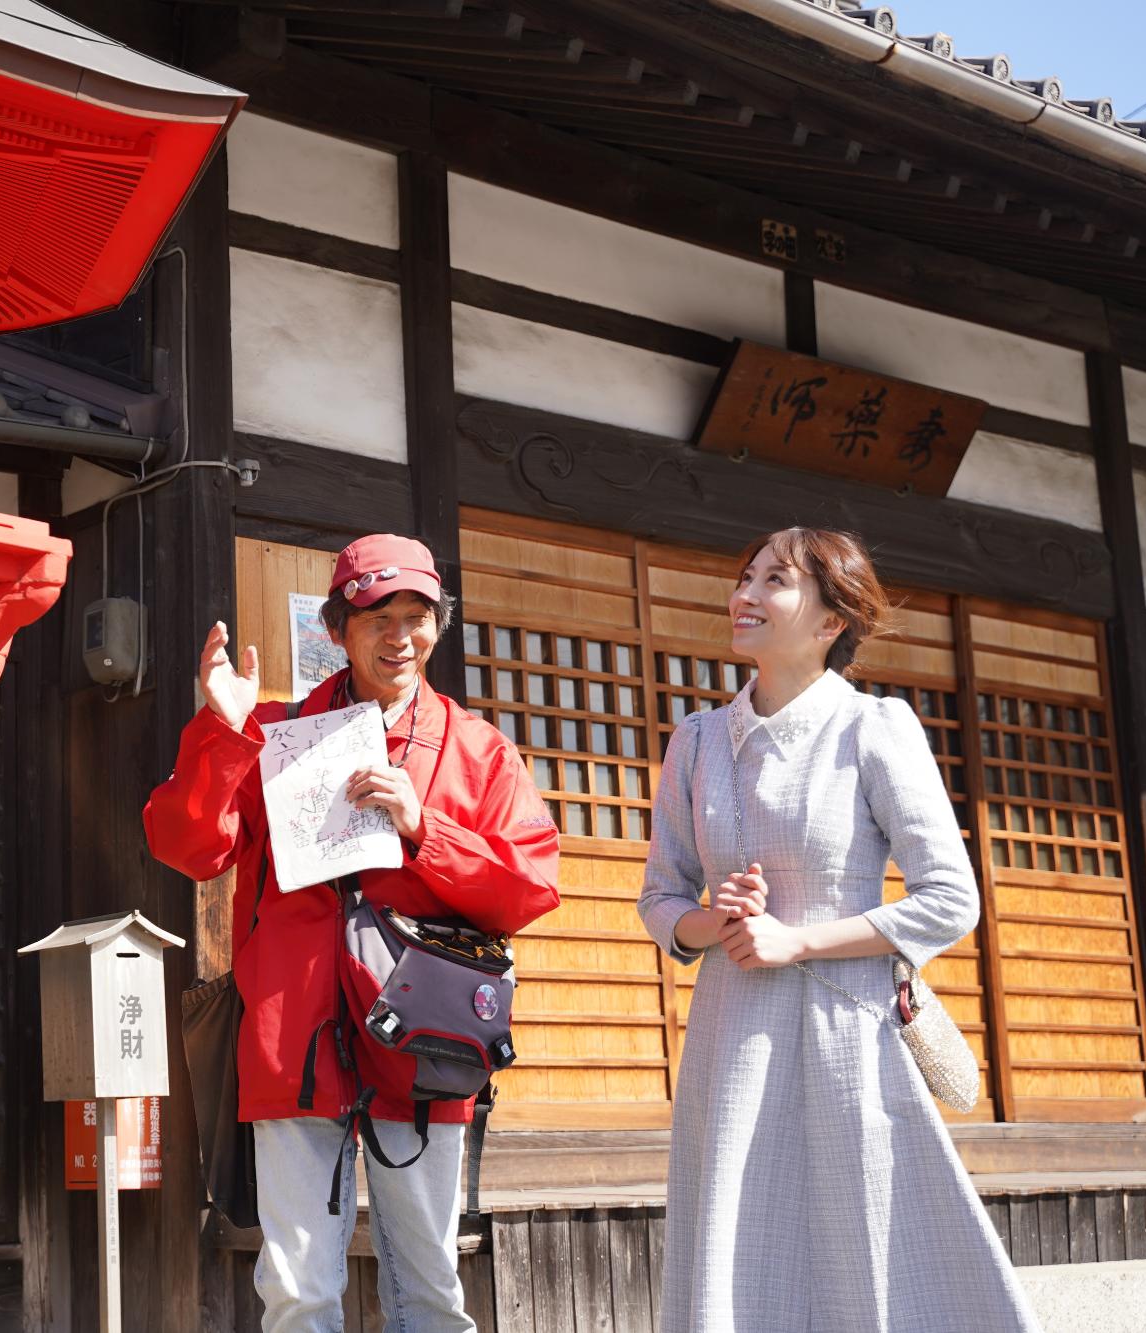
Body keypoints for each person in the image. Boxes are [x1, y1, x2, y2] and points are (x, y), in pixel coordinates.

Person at [144, 534, 560, 1332]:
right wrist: (221, 732)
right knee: (297, 1290)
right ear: (337, 627)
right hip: (290, 1036)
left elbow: (531, 886)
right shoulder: (272, 733)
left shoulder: (478, 751)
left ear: (438, 626)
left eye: (417, 615)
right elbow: (187, 846)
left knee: (433, 1289)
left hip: (425, 1045)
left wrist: (422, 825)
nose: (398, 635)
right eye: (376, 615)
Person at [638, 527, 1042, 1332]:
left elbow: (949, 896)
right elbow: (659, 898)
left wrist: (797, 940)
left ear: (831, 621)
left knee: (868, 1242)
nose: (744, 594)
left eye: (775, 581)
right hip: (732, 1038)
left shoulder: (874, 728)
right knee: (739, 1241)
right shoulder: (696, 742)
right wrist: (713, 924)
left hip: (847, 1028)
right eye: (744, 576)